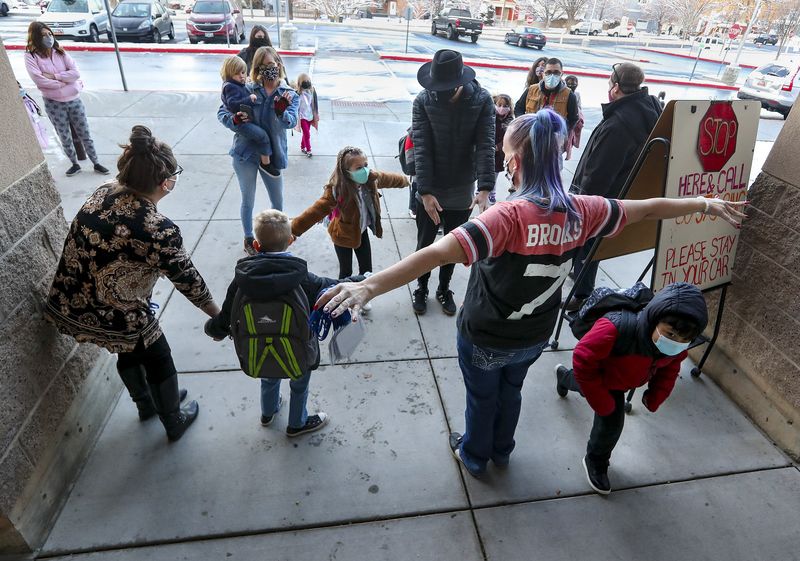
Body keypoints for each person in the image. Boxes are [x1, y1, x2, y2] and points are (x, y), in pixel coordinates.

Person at [315, 109, 745, 478]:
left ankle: (476, 455)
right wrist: (704, 204)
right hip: (536, 336)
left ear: (516, 162)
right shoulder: (585, 209)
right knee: (512, 391)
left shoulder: (506, 218)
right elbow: (648, 208)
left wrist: (369, 285)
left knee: (483, 398)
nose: (503, 162)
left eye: (504, 155)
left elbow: (434, 253)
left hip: (486, 335)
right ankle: (503, 450)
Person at [45, 125, 220, 442]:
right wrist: (217, 315)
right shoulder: (157, 228)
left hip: (74, 298)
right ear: (165, 182)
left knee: (127, 350)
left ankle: (146, 405)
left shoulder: (104, 191)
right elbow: (188, 281)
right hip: (115, 308)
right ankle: (173, 420)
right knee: (158, 355)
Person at [204, 210, 363, 436]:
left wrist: (214, 329)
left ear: (256, 246)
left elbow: (227, 314)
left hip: (260, 350)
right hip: (298, 349)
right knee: (299, 386)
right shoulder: (305, 279)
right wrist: (361, 280)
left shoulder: (241, 280)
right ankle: (297, 423)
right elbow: (336, 285)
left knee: (268, 376)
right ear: (290, 241)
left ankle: (268, 413)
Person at [555, 282, 708, 495]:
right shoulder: (615, 327)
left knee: (578, 383)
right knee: (611, 422)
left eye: (685, 340)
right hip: (603, 378)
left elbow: (669, 370)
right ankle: (596, 461)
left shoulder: (676, 349)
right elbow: (583, 358)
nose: (677, 343)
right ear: (655, 320)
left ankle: (563, 377)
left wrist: (656, 396)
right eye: (671, 334)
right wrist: (602, 402)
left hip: (623, 379)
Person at [566, 63, 663, 311]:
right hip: (619, 196)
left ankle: (582, 295)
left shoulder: (619, 123)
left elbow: (598, 174)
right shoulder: (647, 109)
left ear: (616, 88)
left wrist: (579, 205)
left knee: (587, 244)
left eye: (610, 84)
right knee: (592, 246)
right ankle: (581, 282)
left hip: (598, 199)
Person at [411, 49, 495, 316]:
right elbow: (421, 147)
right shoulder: (423, 100)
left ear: (460, 82)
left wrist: (484, 188)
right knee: (425, 243)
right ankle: (421, 286)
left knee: (454, 243)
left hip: (461, 186)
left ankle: (443, 288)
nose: (441, 92)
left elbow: (486, 144)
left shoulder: (482, 100)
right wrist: (424, 191)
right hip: (430, 185)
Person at [218, 46, 299, 256]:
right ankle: (248, 238)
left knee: (277, 202)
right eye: (263, 66)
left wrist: (282, 112)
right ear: (257, 68)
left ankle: (279, 240)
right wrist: (234, 120)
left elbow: (291, 122)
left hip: (272, 157)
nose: (268, 70)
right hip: (245, 153)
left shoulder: (288, 94)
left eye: (271, 65)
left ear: (279, 65)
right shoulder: (247, 89)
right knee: (248, 199)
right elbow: (222, 112)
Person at [291, 146, 408, 279]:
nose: (364, 170)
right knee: (346, 272)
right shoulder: (337, 190)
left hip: (361, 232)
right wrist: (293, 229)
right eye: (358, 168)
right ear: (346, 172)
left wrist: (404, 181)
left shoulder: (370, 179)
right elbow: (316, 211)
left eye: (366, 165)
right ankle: (342, 295)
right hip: (342, 237)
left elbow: (388, 179)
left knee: (367, 271)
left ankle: (363, 294)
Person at [24, 21, 109, 177]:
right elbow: (39, 80)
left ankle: (96, 162)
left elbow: (76, 73)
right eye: (43, 35)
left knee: (85, 133)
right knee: (64, 135)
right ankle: (74, 164)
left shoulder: (60, 52)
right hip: (54, 103)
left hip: (74, 100)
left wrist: (55, 78)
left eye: (49, 34)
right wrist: (65, 82)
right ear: (36, 37)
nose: (48, 38)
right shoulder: (31, 56)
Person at [219, 55, 279, 177]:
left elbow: (290, 122)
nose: (241, 76)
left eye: (243, 72)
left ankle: (266, 162)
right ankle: (266, 164)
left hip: (273, 152)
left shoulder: (240, 85)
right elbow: (228, 107)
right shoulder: (230, 86)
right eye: (237, 73)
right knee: (263, 136)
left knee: (263, 136)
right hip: (244, 144)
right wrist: (249, 99)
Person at [514, 57, 579, 132]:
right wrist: (524, 125)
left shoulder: (569, 95)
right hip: (530, 134)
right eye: (548, 72)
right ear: (543, 74)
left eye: (556, 73)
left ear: (561, 74)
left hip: (554, 138)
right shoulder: (531, 90)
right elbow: (518, 108)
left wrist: (562, 133)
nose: (552, 76)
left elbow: (573, 119)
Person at [492, 93, 514, 197]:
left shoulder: (510, 122)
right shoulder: (489, 117)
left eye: (505, 106)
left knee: (494, 174)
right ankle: (480, 191)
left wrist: (498, 147)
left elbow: (509, 139)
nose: (502, 108)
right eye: (499, 105)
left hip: (499, 154)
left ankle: (492, 193)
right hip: (487, 149)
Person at [295, 72, 319, 157]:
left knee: (306, 133)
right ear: (300, 83)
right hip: (302, 117)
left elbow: (315, 104)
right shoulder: (297, 94)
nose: (306, 82)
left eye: (307, 81)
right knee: (307, 134)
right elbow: (294, 105)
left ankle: (302, 146)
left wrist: (316, 114)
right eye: (304, 81)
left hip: (310, 116)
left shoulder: (312, 91)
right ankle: (309, 150)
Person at [563, 75, 584, 161]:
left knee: (570, 137)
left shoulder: (577, 94)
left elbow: (579, 107)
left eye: (574, 84)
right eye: (569, 84)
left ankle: (568, 152)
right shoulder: (563, 93)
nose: (572, 86)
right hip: (565, 118)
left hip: (574, 119)